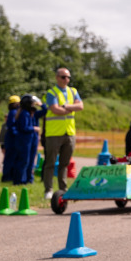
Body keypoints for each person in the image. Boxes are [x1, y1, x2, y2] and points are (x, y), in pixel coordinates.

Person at [42, 68, 83, 199]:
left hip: (69, 132)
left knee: (64, 164)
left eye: (68, 77)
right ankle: (48, 190)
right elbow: (55, 110)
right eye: (63, 77)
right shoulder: (51, 92)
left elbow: (80, 106)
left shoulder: (73, 91)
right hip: (54, 133)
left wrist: (65, 107)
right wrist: (71, 108)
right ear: (57, 78)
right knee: (50, 163)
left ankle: (63, 190)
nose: (66, 80)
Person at [13, 95, 43, 185]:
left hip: (28, 140)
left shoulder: (28, 113)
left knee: (28, 160)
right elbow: (24, 127)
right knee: (24, 160)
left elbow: (44, 111)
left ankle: (26, 179)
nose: (34, 105)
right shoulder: (24, 113)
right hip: (24, 140)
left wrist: (41, 104)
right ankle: (19, 180)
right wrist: (34, 128)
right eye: (32, 103)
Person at [1, 95, 21, 182]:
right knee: (10, 158)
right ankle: (7, 176)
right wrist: (17, 134)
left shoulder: (12, 112)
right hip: (12, 139)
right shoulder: (13, 112)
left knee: (10, 158)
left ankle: (9, 175)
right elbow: (12, 126)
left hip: (11, 138)